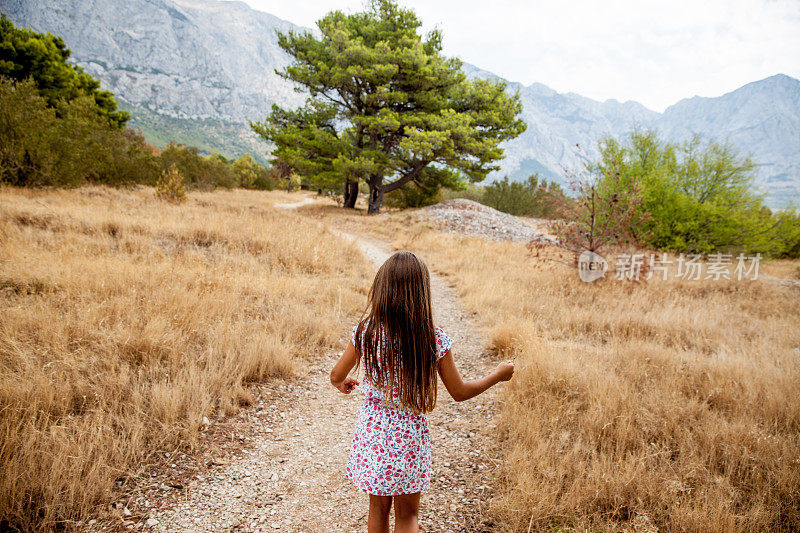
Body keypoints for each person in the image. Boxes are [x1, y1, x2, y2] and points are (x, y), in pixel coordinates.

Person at [330, 251, 515, 533]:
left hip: (374, 431)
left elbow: (335, 376)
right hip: (409, 437)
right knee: (408, 515)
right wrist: (497, 375)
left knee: (378, 509)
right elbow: (460, 392)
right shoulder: (432, 337)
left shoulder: (366, 332)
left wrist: (342, 384)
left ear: (382, 288)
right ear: (421, 292)